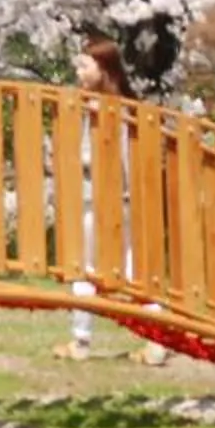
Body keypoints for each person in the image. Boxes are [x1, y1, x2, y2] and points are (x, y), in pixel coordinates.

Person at [55, 39, 169, 365]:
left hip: (106, 199)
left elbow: (117, 160)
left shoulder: (107, 112)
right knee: (133, 269)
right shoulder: (123, 108)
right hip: (123, 200)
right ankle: (156, 341)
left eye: (84, 66)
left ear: (103, 69)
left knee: (85, 267)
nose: (78, 73)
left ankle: (81, 340)